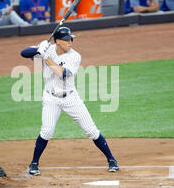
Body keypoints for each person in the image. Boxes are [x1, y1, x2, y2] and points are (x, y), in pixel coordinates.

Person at [20, 27, 119, 176]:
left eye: (71, 39)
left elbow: (62, 74)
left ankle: (112, 160)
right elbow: (23, 53)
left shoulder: (74, 56)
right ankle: (34, 163)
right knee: (46, 131)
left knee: (91, 130)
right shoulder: (48, 49)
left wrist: (44, 55)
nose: (70, 42)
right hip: (51, 98)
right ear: (58, 41)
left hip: (71, 98)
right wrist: (38, 48)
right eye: (66, 39)